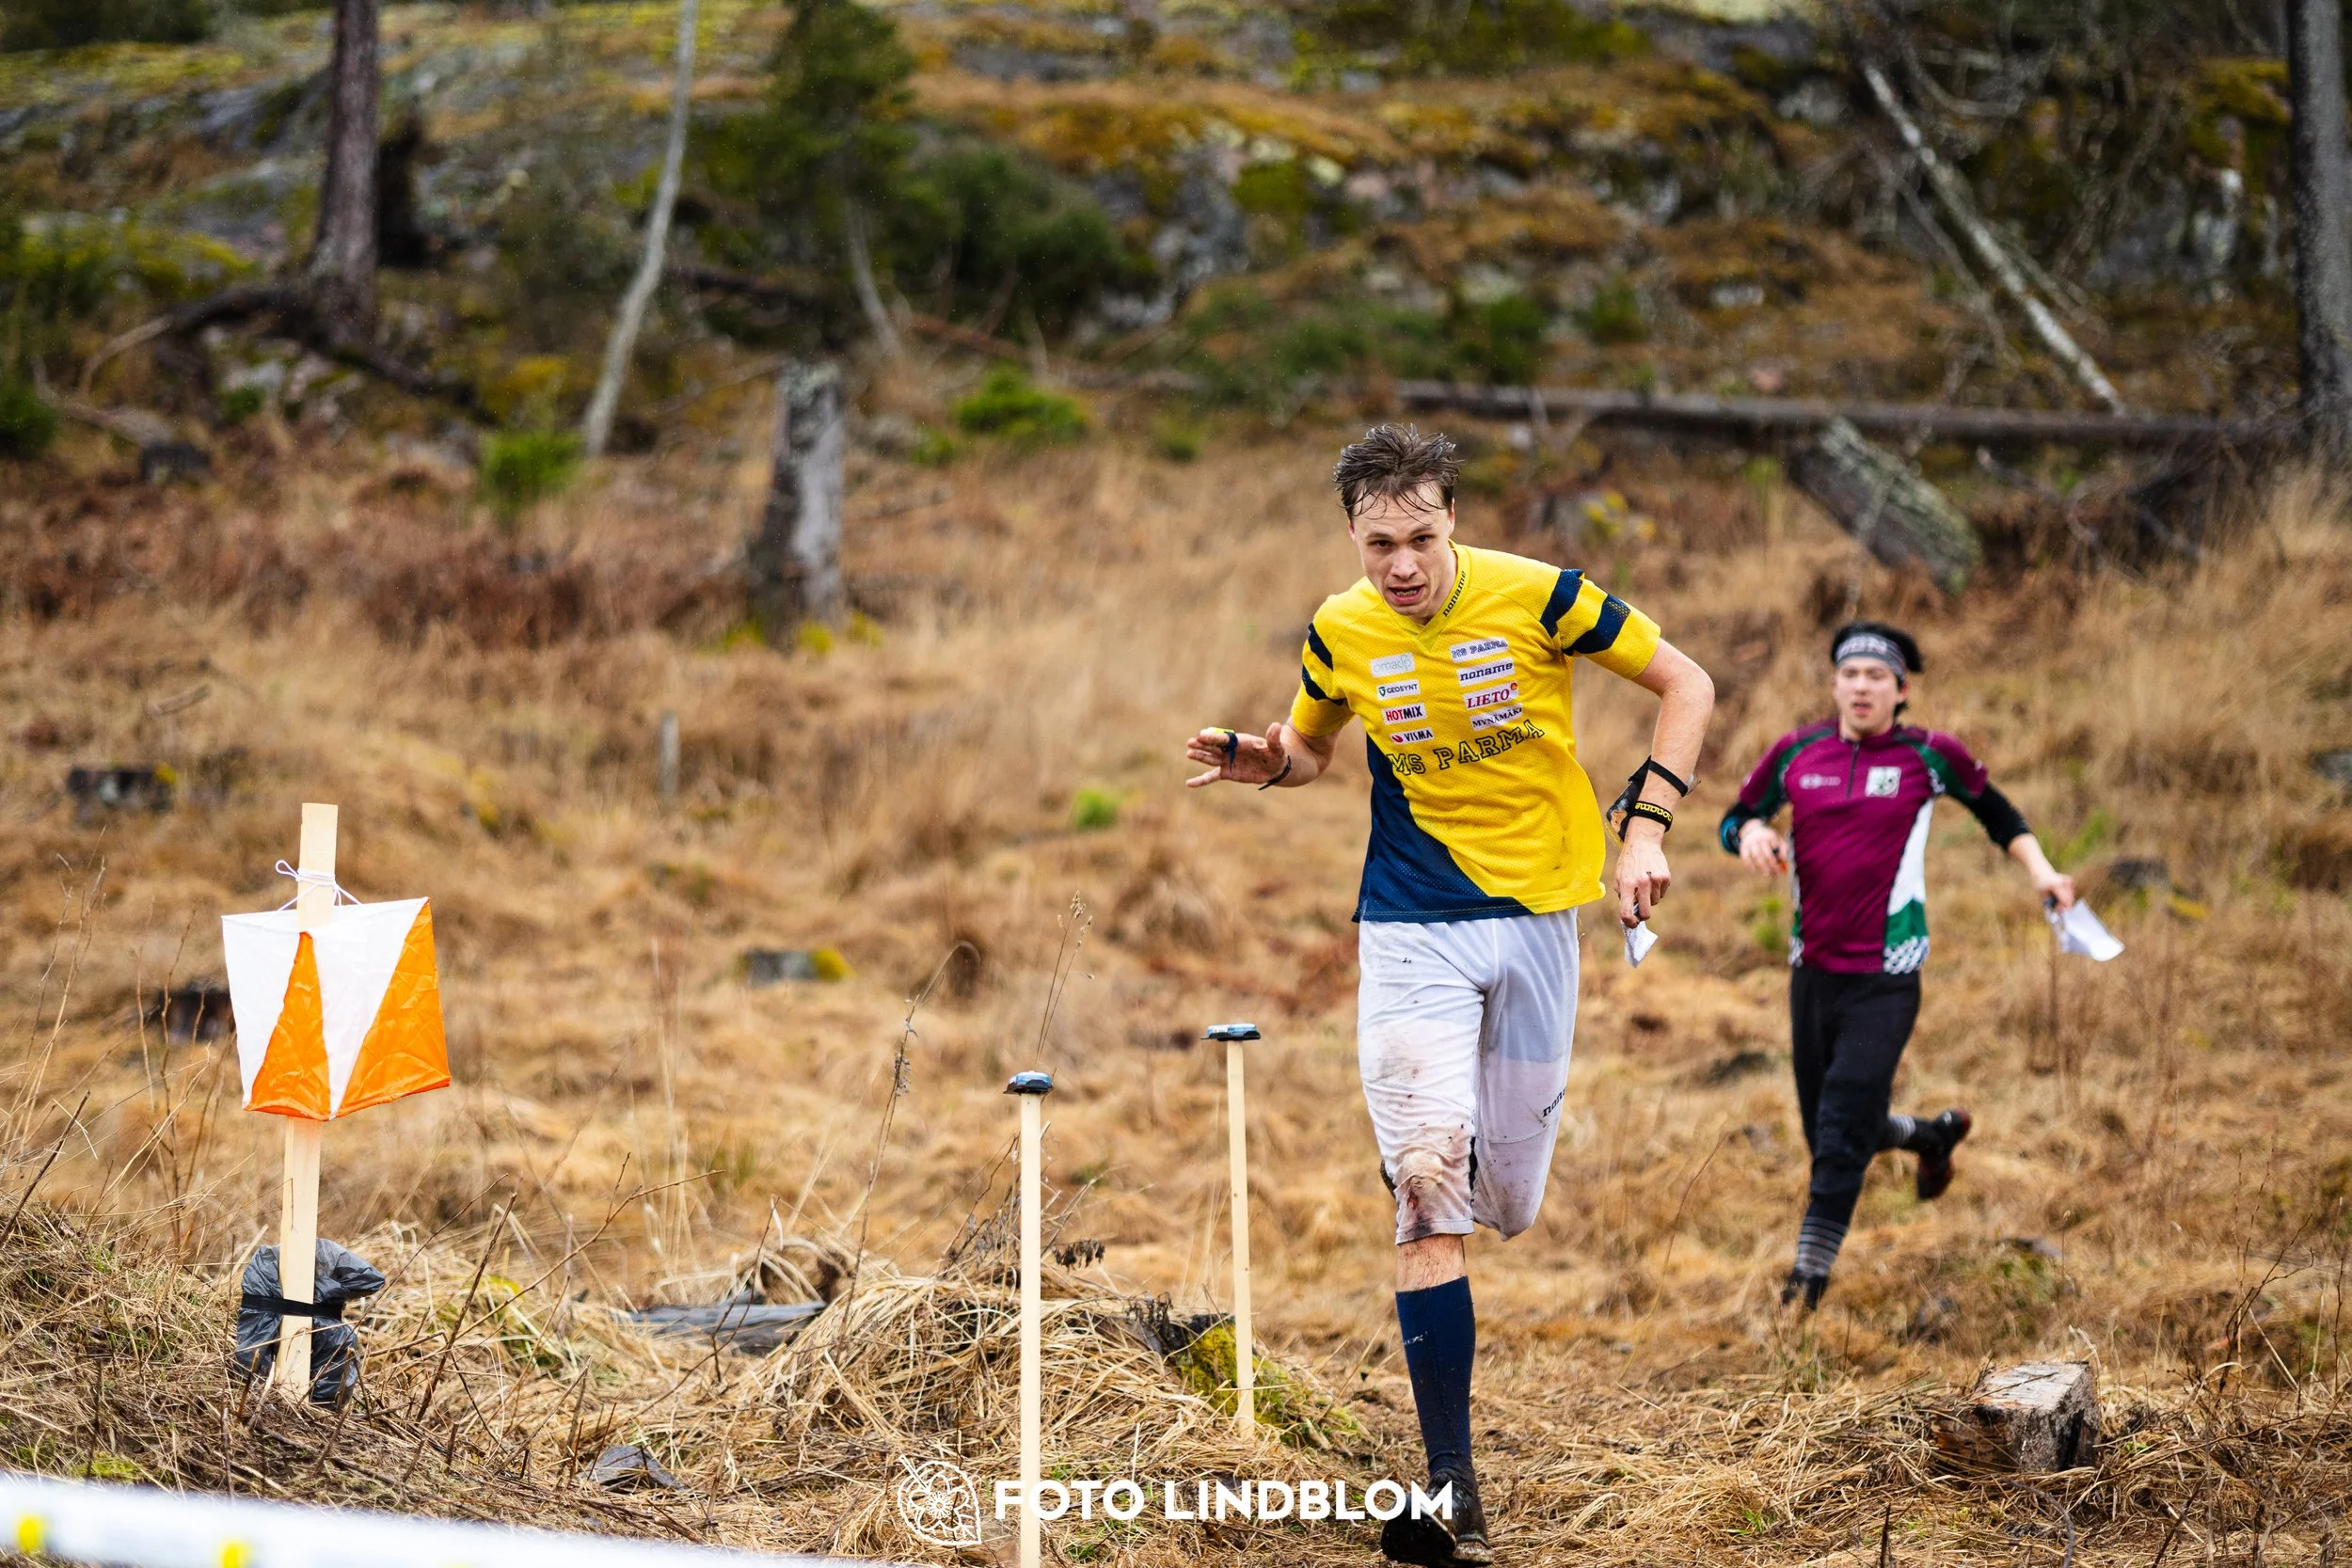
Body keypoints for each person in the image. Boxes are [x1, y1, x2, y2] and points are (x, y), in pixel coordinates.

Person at [1183, 426, 1714, 1566]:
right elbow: (1312, 745)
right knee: (1427, 1185)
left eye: (1421, 538)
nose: (1402, 565)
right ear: (1351, 534)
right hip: (1407, 925)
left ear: (1452, 521)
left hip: (1537, 920)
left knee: (1505, 1198)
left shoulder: (1544, 595)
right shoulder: (1339, 627)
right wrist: (1268, 763)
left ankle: (1477, 1205)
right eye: (1380, 543)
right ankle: (1449, 1484)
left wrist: (1647, 827)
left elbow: (1687, 681)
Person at [1718, 621, 2075, 1311]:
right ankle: (1932, 1136)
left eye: (1876, 676)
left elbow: (1998, 813)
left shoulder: (1929, 756)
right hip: (1811, 972)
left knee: (1840, 1134)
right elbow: (1733, 818)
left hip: (1887, 975)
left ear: (1901, 689)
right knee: (1830, 1129)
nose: (1861, 686)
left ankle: (1804, 1288)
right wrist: (1753, 831)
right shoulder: (1796, 752)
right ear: (1834, 684)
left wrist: (2042, 871)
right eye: (1850, 674)